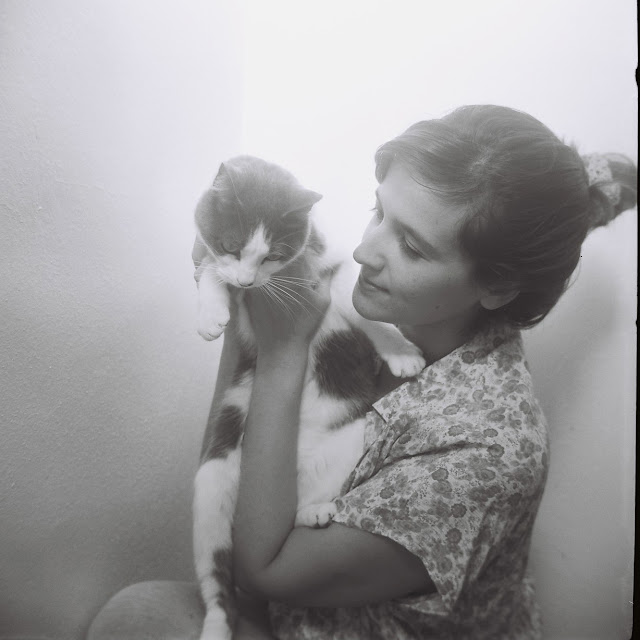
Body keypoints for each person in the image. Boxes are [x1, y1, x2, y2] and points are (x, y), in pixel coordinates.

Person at [87, 105, 636, 640]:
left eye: (411, 246)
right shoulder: (394, 320)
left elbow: (261, 571)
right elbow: (233, 467)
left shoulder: (488, 451)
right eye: (379, 212)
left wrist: (281, 352)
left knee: (136, 617)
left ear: (496, 286)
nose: (363, 251)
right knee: (133, 614)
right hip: (294, 597)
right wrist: (237, 315)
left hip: (335, 613)